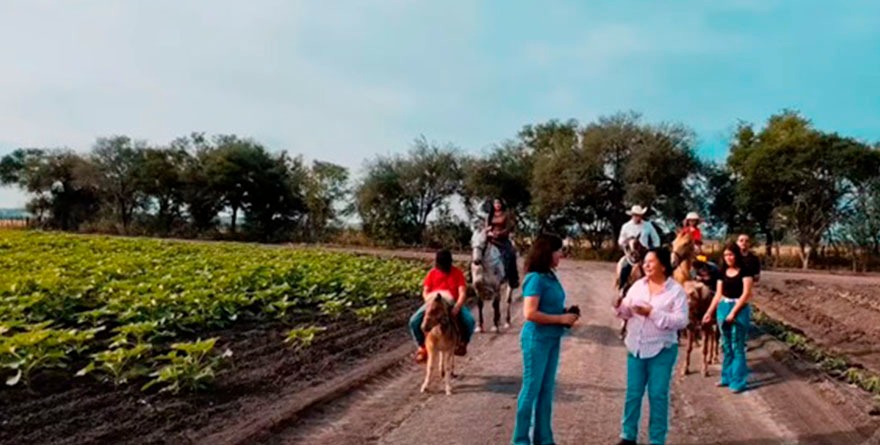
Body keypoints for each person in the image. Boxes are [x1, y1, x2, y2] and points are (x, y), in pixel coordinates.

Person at [615, 247, 689, 445]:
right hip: (635, 347)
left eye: (651, 261)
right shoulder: (637, 285)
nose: (645, 265)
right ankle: (627, 436)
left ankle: (656, 440)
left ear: (663, 266)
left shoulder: (676, 291)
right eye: (645, 262)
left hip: (661, 349)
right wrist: (620, 307)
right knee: (633, 394)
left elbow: (681, 321)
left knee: (657, 395)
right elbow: (626, 312)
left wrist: (652, 313)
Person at [512, 233, 579, 445]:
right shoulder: (535, 279)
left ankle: (544, 438)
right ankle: (521, 440)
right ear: (547, 253)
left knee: (546, 391)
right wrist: (560, 317)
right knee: (532, 389)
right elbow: (530, 313)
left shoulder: (550, 276)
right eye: (558, 250)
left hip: (552, 339)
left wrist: (566, 313)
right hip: (536, 340)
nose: (561, 254)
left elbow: (547, 306)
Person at [702, 242, 754, 393]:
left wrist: (734, 312)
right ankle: (726, 377)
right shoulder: (721, 272)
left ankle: (738, 381)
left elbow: (746, 294)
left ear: (736, 255)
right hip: (723, 307)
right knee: (725, 344)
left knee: (737, 345)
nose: (728, 258)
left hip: (739, 308)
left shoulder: (745, 271)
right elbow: (718, 294)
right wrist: (709, 312)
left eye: (731, 254)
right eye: (725, 255)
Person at [409, 249, 476, 363]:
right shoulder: (432, 273)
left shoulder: (457, 273)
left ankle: (462, 343)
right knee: (414, 321)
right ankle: (422, 347)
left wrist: (458, 306)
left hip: (451, 303)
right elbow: (425, 291)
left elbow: (462, 292)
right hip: (433, 303)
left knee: (470, 321)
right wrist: (429, 302)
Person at [617, 205, 661, 298]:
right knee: (625, 266)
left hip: (645, 252)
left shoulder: (648, 225)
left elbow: (656, 238)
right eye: (636, 215)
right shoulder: (626, 226)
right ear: (632, 215)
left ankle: (658, 289)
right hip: (630, 253)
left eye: (640, 215)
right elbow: (620, 240)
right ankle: (622, 287)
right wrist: (626, 242)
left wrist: (655, 248)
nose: (638, 217)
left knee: (657, 267)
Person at [487, 198, 520, 289]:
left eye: (499, 203)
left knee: (511, 254)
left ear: (501, 204)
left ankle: (513, 279)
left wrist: (499, 233)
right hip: (491, 239)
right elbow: (487, 226)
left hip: (502, 240)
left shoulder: (506, 215)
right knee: (478, 251)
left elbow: (509, 227)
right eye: (495, 203)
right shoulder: (490, 215)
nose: (497, 205)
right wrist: (488, 232)